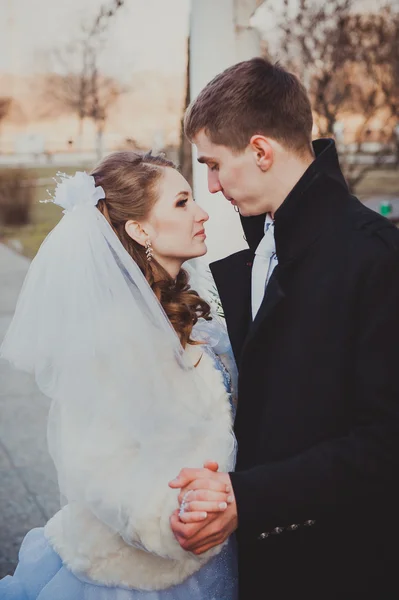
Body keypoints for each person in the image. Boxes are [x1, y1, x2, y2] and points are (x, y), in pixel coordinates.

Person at [169, 57, 399, 599]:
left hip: (341, 569)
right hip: (264, 567)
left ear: (261, 150)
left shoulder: (375, 258)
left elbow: (386, 442)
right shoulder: (264, 243)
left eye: (214, 164)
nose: (213, 187)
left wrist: (249, 497)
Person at [0, 152, 238, 600]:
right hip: (138, 573)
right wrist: (171, 521)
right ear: (140, 229)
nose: (203, 212)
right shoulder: (111, 338)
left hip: (214, 542)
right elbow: (93, 462)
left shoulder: (189, 314)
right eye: (183, 202)